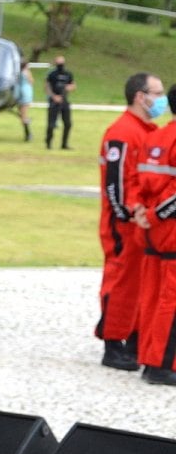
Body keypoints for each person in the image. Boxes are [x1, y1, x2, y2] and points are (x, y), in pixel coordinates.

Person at [96, 72, 164, 372]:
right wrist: (126, 213)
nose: (161, 99)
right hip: (123, 222)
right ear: (141, 95)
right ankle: (112, 344)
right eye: (157, 92)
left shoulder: (145, 129)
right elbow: (115, 182)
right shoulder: (122, 132)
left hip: (140, 223)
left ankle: (133, 340)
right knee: (120, 280)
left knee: (139, 282)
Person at [134, 83, 176, 386]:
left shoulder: (154, 136)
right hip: (170, 230)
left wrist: (141, 212)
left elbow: (138, 180)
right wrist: (153, 215)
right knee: (170, 302)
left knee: (151, 299)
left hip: (151, 233)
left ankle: (149, 359)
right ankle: (162, 365)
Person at [45, 55, 76, 149]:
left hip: (64, 100)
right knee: (51, 123)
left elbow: (73, 85)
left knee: (68, 123)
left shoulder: (68, 74)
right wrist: (53, 96)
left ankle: (64, 144)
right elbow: (47, 86)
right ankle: (48, 143)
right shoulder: (51, 74)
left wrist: (68, 88)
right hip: (54, 100)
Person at [16, 60, 34, 142]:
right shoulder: (26, 72)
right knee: (24, 114)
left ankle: (26, 122)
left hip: (19, 91)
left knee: (21, 113)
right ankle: (28, 133)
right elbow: (31, 81)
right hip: (26, 91)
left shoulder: (18, 72)